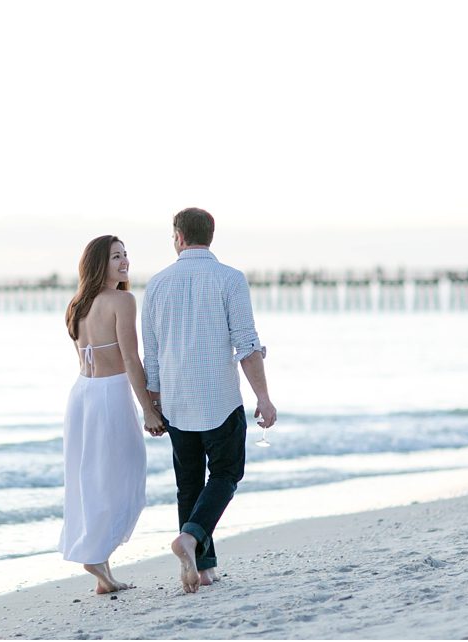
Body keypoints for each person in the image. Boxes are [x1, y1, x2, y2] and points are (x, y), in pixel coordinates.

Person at [141, 207, 277, 593]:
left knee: (189, 484)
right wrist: (264, 397)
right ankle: (192, 538)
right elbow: (247, 345)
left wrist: (153, 406)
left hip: (177, 402)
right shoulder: (230, 279)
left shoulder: (157, 284)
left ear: (179, 237)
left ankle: (202, 569)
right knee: (226, 474)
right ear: (209, 236)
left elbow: (151, 356)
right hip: (219, 398)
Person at [58, 234, 165, 593]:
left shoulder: (77, 304)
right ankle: (97, 553)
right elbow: (131, 359)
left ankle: (100, 562)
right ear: (98, 264)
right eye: (115, 256)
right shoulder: (122, 300)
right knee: (126, 475)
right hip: (109, 394)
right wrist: (148, 409)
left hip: (81, 396)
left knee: (90, 477)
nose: (124, 262)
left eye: (125, 255)